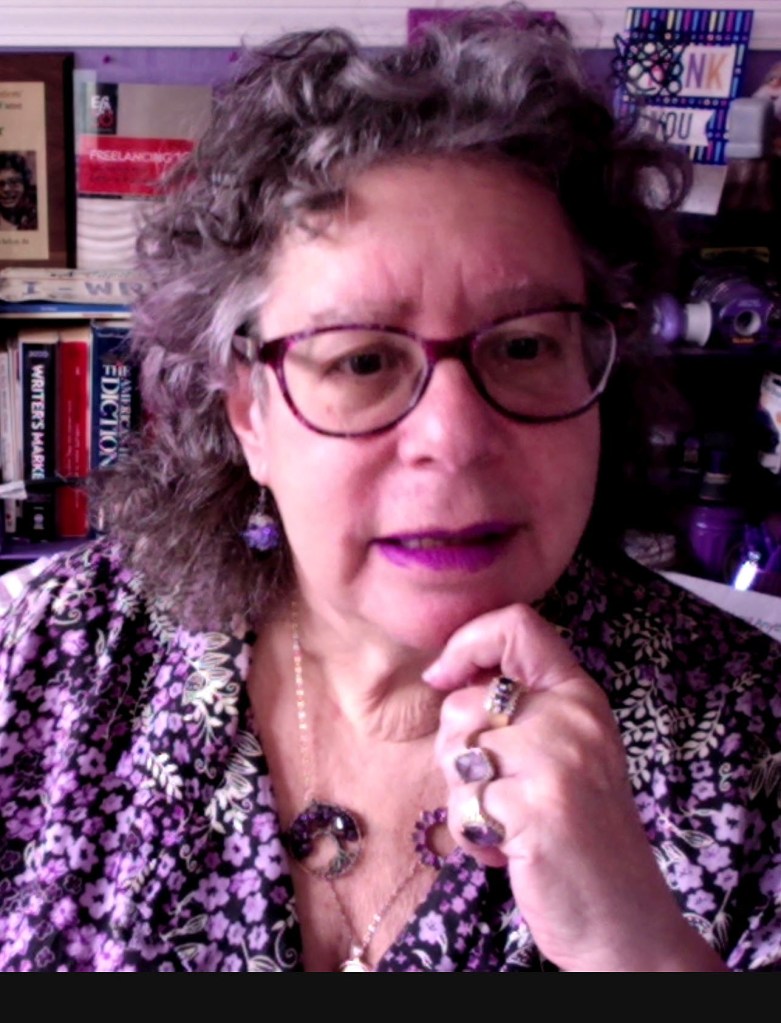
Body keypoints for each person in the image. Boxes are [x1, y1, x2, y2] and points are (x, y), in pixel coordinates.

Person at [1, 8, 779, 972]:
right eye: (362, 358)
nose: (454, 441)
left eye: (526, 344)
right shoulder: (46, 660)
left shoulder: (756, 747)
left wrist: (636, 947)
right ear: (249, 412)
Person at [0, 152, 38, 231]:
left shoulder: (37, 219)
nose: (6, 189)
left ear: (25, 186)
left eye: (14, 182)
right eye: (0, 184)